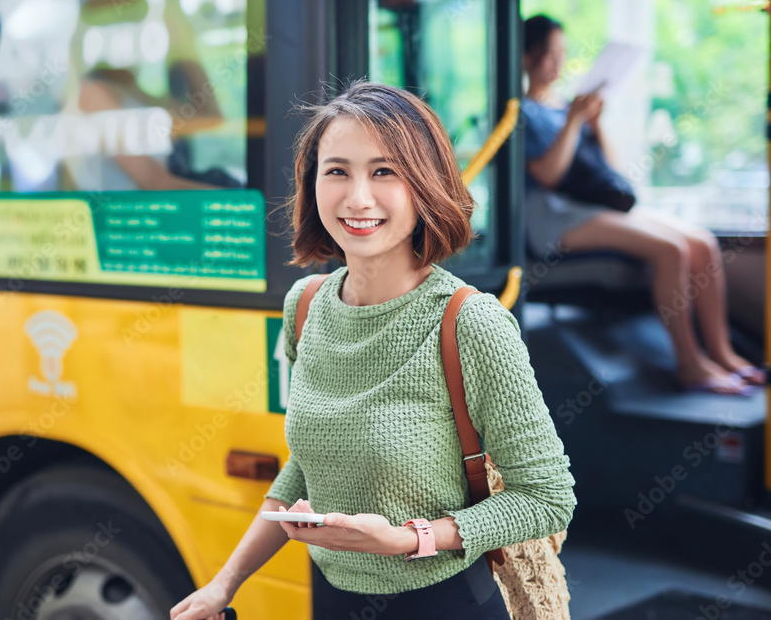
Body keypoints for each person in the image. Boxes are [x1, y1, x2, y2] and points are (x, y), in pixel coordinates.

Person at [169, 81, 577, 620]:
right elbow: (307, 467)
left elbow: (548, 498)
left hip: (446, 601)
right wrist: (225, 583)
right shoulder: (306, 306)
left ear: (424, 184)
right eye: (337, 171)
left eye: (384, 172)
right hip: (332, 599)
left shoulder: (471, 323)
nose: (357, 197)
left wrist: (412, 540)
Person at [521, 14, 766, 395]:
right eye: (549, 54)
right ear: (527, 57)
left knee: (701, 241)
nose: (557, 64)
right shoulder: (523, 112)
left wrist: (595, 124)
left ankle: (722, 353)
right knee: (669, 249)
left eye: (561, 54)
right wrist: (572, 122)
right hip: (553, 215)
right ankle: (690, 364)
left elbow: (611, 172)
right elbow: (549, 175)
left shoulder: (568, 107)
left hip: (591, 207)